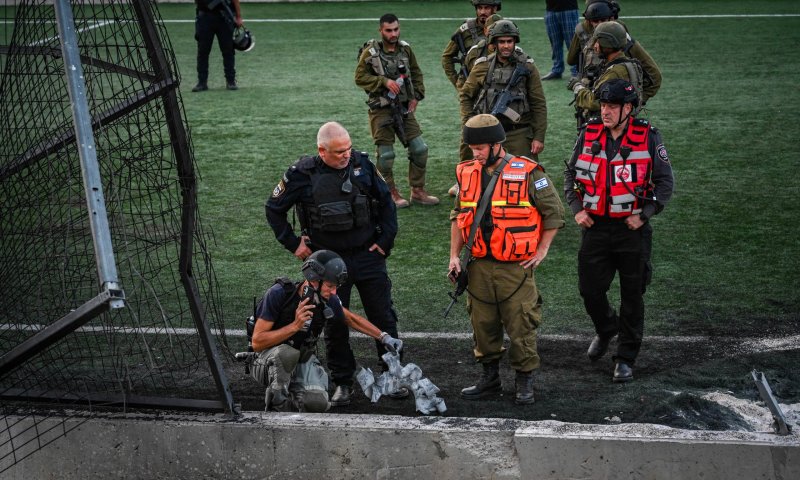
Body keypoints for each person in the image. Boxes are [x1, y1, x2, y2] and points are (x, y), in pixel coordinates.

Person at [265, 121, 408, 407]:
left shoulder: (363, 165)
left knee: (382, 316)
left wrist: (385, 241)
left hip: (367, 256)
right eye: (339, 151)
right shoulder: (301, 174)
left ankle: (394, 374)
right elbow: (274, 208)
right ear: (322, 150)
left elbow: (387, 202)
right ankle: (343, 382)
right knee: (335, 324)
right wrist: (294, 244)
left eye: (348, 148)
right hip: (327, 263)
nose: (346, 155)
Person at [448, 114, 564, 405]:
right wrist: (454, 256)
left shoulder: (529, 173)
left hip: (515, 267)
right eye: (472, 147)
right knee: (482, 323)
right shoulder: (466, 172)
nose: (475, 153)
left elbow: (554, 213)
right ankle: (489, 377)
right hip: (478, 265)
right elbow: (458, 216)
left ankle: (524, 379)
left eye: (481, 147)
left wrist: (542, 250)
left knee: (520, 323)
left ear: (497, 144)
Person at [563, 79, 674, 383]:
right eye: (603, 105)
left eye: (612, 106)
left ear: (628, 108)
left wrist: (646, 214)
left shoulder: (649, 136)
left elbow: (665, 182)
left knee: (632, 295)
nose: (606, 111)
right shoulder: (588, 133)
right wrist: (577, 209)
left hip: (631, 230)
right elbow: (570, 173)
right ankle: (606, 327)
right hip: (595, 227)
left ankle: (625, 358)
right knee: (589, 290)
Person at [250, 250, 404, 412]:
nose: (334, 292)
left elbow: (350, 318)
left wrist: (383, 337)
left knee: (318, 403)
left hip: (301, 359)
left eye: (336, 287)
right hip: (264, 360)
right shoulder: (279, 294)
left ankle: (289, 400)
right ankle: (275, 404)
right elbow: (257, 342)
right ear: (314, 281)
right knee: (287, 353)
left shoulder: (326, 300)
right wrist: (295, 326)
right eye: (330, 286)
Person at [355, 13, 439, 208]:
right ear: (381, 31)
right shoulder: (371, 52)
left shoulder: (406, 49)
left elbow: (416, 73)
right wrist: (383, 81)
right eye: (388, 30)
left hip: (403, 107)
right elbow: (359, 78)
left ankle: (417, 191)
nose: (393, 34)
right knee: (385, 156)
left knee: (420, 149)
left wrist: (416, 96)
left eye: (396, 29)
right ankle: (389, 193)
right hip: (381, 109)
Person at [460, 20, 548, 160]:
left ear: (515, 42)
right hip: (487, 133)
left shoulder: (527, 67)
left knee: (524, 174)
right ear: (494, 43)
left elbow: (538, 103)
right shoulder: (483, 66)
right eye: (501, 42)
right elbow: (465, 96)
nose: (506, 46)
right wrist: (470, 123)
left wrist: (538, 137)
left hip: (518, 133)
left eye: (510, 41)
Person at [566, 1, 661, 109]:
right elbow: (571, 60)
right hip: (591, 97)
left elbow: (655, 76)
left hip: (611, 104)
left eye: (603, 20)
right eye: (595, 20)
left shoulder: (618, 33)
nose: (599, 24)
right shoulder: (583, 30)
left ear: (612, 18)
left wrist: (632, 102)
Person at [568, 21, 645, 121]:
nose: (595, 46)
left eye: (598, 42)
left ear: (607, 44)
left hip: (609, 126)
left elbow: (595, 101)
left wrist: (577, 87)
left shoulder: (614, 71)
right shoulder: (629, 64)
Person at [441, 0, 502, 91]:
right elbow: (447, 57)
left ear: (495, 9)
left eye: (486, 8)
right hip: (472, 87)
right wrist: (458, 83)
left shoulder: (503, 27)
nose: (482, 12)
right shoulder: (465, 30)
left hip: (499, 85)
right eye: (479, 8)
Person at [192, 0, 243, 92]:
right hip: (205, 16)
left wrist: (238, 17)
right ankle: (202, 82)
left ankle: (231, 81)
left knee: (228, 50)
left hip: (224, 17)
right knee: (203, 51)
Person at [541, 0, 580, 80]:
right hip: (550, 9)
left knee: (573, 43)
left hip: (569, 9)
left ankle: (576, 71)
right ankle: (557, 69)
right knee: (555, 43)